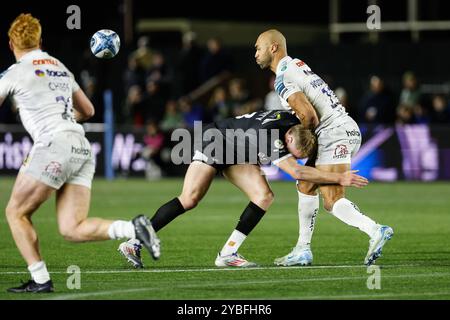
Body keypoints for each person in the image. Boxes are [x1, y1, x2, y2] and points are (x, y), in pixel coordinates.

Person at [0, 14, 160, 293]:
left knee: (15, 212)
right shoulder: (59, 67)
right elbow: (88, 111)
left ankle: (40, 280)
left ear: (11, 42)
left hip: (53, 145)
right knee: (72, 228)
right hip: (81, 146)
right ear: (40, 40)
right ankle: (133, 230)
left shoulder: (13, 72)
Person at [118, 110, 368, 268]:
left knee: (264, 196)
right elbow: (298, 172)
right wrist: (339, 178)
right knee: (189, 198)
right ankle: (135, 242)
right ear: (289, 139)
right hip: (215, 140)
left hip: (238, 150)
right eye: (295, 153)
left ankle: (228, 254)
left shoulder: (293, 123)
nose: (296, 157)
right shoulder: (271, 136)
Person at [254, 29, 393, 266]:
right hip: (342, 128)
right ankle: (302, 249)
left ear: (273, 48)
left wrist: (304, 138)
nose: (255, 54)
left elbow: (309, 116)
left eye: (258, 48)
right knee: (306, 185)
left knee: (331, 199)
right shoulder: (297, 64)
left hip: (333, 133)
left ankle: (375, 229)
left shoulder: (283, 78)